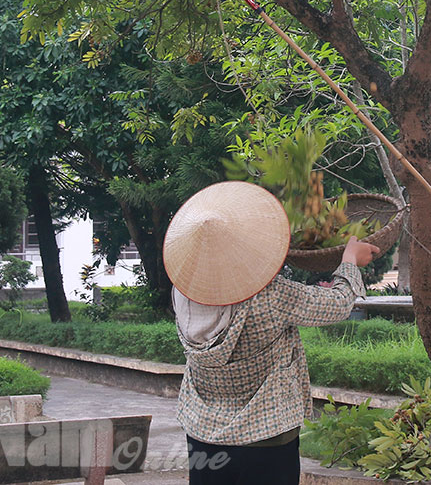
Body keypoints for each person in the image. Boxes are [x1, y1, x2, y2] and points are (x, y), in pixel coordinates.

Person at [162, 181, 380, 484]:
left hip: (203, 433)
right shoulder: (271, 295)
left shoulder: (184, 292)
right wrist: (349, 261)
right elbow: (338, 304)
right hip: (266, 435)